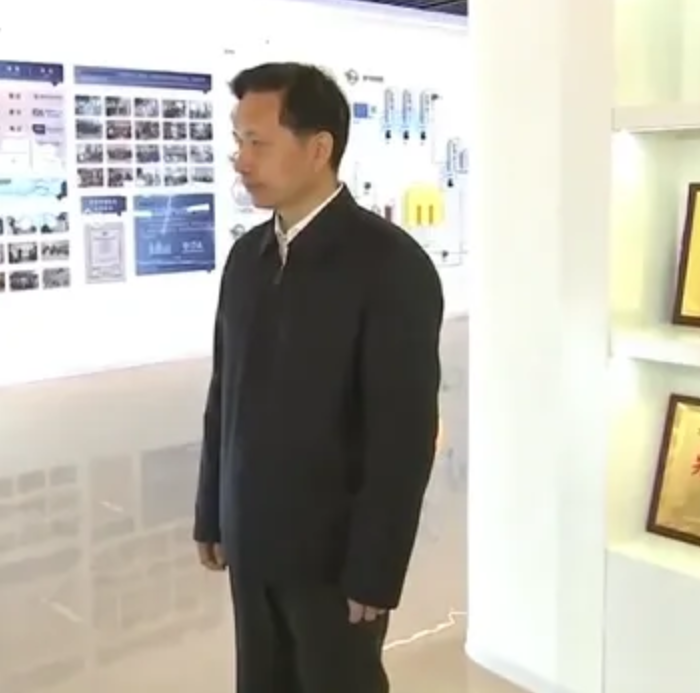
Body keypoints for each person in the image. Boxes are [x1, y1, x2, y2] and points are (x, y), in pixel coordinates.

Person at [194, 62, 443, 693]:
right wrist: (213, 511)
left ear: (318, 148)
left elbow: (403, 437)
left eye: (258, 142)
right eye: (237, 141)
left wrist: (376, 568)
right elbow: (224, 396)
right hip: (253, 540)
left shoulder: (390, 267)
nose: (240, 160)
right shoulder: (246, 260)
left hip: (333, 560)